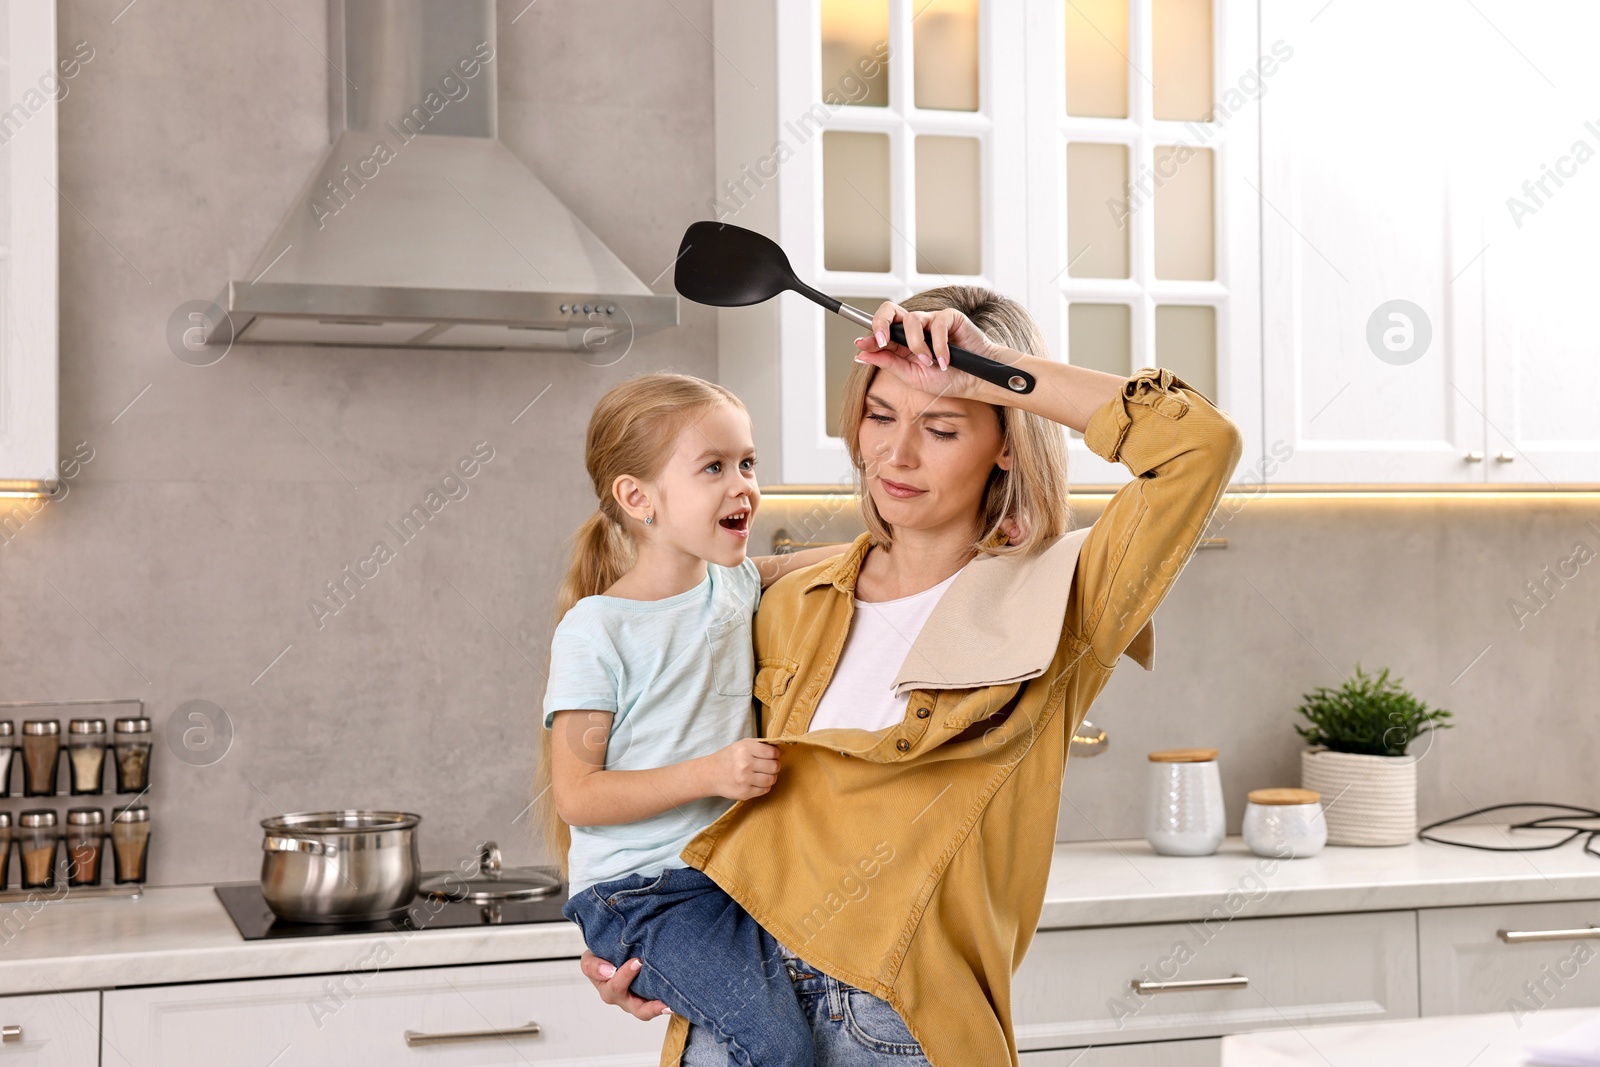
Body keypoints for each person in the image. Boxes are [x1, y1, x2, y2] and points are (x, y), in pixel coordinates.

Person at [579, 286, 1245, 1066]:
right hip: (737, 1016)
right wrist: (637, 937)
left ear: (1004, 440)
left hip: (900, 1026)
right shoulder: (782, 599)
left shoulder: (1063, 597)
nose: (896, 455)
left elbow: (1199, 445)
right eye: (881, 415)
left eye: (942, 424)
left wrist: (991, 369)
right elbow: (652, 766)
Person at [538, 372, 849, 1066]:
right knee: (779, 1048)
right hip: (639, 896)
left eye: (747, 462)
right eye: (714, 467)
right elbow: (578, 794)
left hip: (722, 877)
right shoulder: (596, 630)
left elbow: (809, 563)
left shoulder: (730, 584)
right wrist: (712, 772)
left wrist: (924, 541)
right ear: (637, 496)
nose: (743, 485)